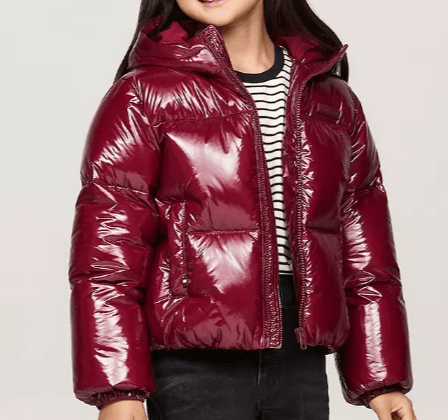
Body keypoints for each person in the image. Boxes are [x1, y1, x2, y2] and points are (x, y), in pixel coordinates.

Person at [68, 1, 417, 419]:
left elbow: (365, 252)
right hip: (191, 362)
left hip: (300, 357)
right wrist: (118, 389)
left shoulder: (331, 99)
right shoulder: (144, 94)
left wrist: (382, 380)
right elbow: (107, 255)